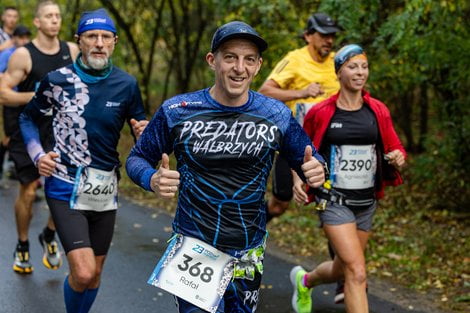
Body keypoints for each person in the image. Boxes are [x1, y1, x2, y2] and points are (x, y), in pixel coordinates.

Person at [126, 21, 326, 313]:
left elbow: (311, 158)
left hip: (248, 249)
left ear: (258, 66)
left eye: (248, 60)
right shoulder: (178, 110)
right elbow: (136, 159)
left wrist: (317, 170)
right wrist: (151, 178)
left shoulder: (276, 114)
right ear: (212, 60)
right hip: (194, 247)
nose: (239, 68)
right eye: (230, 57)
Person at [19, 8, 147, 313]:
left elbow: (142, 129)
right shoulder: (57, 80)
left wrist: (145, 133)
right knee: (84, 271)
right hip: (65, 185)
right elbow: (27, 119)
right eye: (92, 36)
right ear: (80, 41)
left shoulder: (127, 85)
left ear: (115, 42)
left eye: (106, 37)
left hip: (105, 190)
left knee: (95, 274)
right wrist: (38, 154)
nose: (99, 43)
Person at [289, 44, 406, 313]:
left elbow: (395, 147)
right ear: (339, 72)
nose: (360, 72)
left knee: (343, 268)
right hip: (332, 200)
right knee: (357, 271)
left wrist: (398, 156)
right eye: (353, 66)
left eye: (364, 67)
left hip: (366, 201)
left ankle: (305, 281)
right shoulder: (321, 112)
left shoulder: (377, 110)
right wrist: (298, 180)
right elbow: (299, 150)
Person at [0, 0, 79, 274]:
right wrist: (40, 97)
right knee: (30, 188)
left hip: (62, 131)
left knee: (65, 189)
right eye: (48, 16)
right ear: (37, 22)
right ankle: (22, 244)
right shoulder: (23, 55)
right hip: (29, 131)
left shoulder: (72, 50)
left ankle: (48, 234)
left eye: (57, 15)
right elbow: (4, 93)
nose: (55, 20)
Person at [258, 12, 340, 221]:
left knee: (334, 204)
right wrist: (301, 93)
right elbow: (265, 91)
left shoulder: (338, 61)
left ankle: (339, 253)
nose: (329, 40)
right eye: (324, 35)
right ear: (308, 36)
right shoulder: (294, 60)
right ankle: (246, 235)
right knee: (279, 204)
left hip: (330, 144)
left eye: (332, 35)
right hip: (295, 141)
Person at [0, 25, 32, 181]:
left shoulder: (31, 54)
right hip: (10, 101)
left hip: (26, 102)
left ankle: (23, 175)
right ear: (14, 39)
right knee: (7, 139)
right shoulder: (7, 55)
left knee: (24, 136)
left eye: (26, 37)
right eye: (20, 37)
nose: (24, 40)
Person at [0, 6, 19, 179]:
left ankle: (12, 166)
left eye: (15, 16)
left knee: (10, 132)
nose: (11, 19)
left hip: (12, 92)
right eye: (9, 16)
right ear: (3, 17)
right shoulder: (3, 38)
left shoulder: (19, 38)